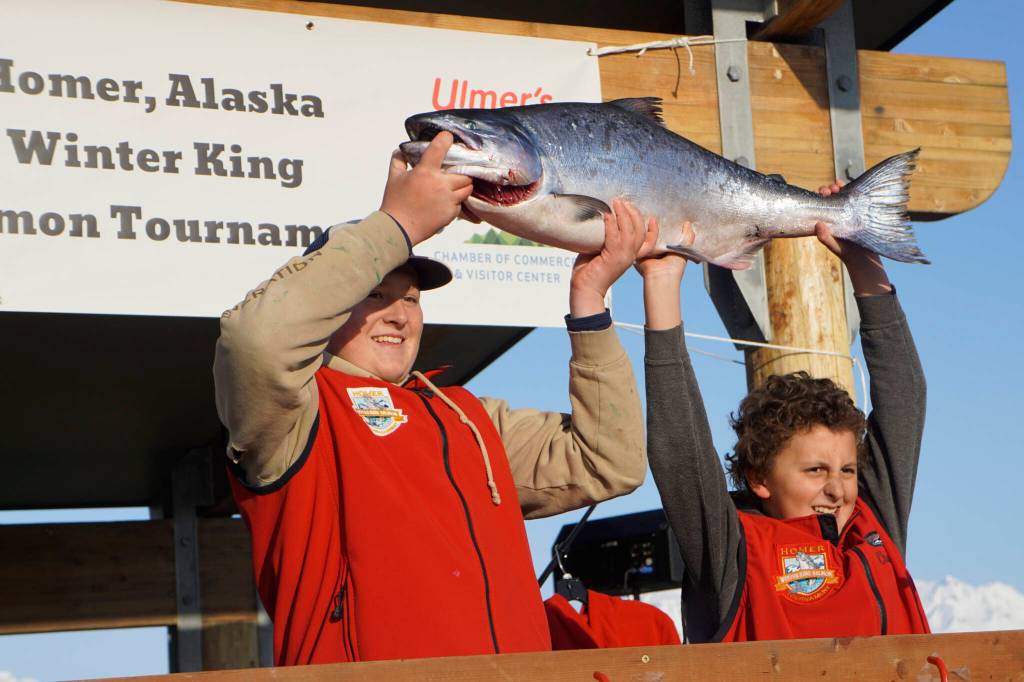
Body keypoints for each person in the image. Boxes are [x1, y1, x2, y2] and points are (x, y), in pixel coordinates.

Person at [214, 132, 652, 665]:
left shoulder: (468, 417)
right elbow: (255, 341)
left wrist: (589, 305)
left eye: (411, 299)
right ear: (326, 312)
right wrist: (397, 227)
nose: (399, 315)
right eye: (374, 296)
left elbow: (610, 462)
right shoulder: (295, 414)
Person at [639, 181, 930, 642]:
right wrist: (661, 284)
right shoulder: (729, 549)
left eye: (848, 469)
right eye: (815, 470)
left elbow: (904, 397)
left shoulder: (873, 525)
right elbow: (680, 452)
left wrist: (862, 259)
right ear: (759, 477)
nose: (837, 489)